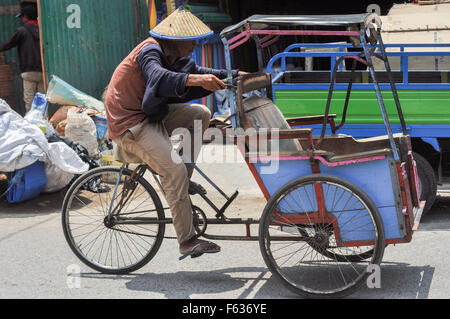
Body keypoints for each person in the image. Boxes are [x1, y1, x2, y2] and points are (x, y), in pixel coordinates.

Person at [105, 8, 246, 260]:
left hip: (150, 114)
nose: (194, 45)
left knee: (200, 114)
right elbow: (159, 77)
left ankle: (180, 182)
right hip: (131, 123)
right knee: (174, 170)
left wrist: (234, 76)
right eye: (190, 41)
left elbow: (200, 73)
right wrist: (194, 80)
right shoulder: (150, 51)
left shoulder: (173, 57)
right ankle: (186, 240)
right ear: (176, 40)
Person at [0, 5, 43, 113]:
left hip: (28, 71)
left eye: (22, 17)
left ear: (25, 17)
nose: (22, 20)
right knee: (42, 100)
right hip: (43, 71)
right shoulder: (43, 30)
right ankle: (44, 123)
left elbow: (9, 45)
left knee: (29, 100)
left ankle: (32, 125)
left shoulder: (21, 31)